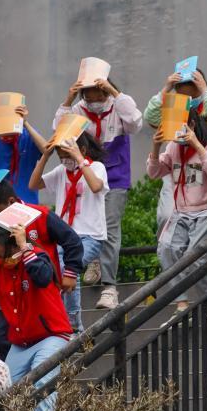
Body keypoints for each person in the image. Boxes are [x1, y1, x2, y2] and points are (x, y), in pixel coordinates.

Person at [0, 225, 73, 411]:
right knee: (7, 392)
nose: (2, 260)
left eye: (4, 255)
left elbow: (43, 278)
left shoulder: (37, 256)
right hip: (21, 341)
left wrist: (25, 247)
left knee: (42, 386)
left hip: (51, 334)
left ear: (14, 245)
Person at [0, 179, 83, 357]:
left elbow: (72, 240)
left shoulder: (41, 214)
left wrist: (70, 273)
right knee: (1, 342)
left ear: (11, 202)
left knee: (45, 336)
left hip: (40, 288)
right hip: (8, 289)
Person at [54, 75, 143, 309]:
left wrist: (114, 91)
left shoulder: (119, 106)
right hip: (86, 175)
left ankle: (109, 288)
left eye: (97, 94)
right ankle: (92, 259)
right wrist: (68, 99)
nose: (92, 100)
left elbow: (135, 122)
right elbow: (59, 131)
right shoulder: (78, 109)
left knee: (110, 228)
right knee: (83, 225)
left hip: (115, 176)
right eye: (87, 95)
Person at [147, 110, 207, 322]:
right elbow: (154, 172)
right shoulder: (173, 147)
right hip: (181, 211)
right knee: (166, 249)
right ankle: (181, 302)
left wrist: (196, 144)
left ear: (191, 124)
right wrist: (156, 146)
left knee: (196, 259)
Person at [30, 133, 109, 332]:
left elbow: (96, 186)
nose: (65, 160)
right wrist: (45, 156)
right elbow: (34, 184)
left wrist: (80, 160)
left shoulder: (96, 167)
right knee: (57, 273)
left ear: (81, 150)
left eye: (67, 155)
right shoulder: (61, 171)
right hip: (65, 238)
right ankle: (66, 323)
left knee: (68, 269)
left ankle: (74, 325)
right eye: (61, 157)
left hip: (91, 236)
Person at [144, 68, 207, 231]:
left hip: (205, 165)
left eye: (192, 95)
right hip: (178, 162)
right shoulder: (174, 106)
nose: (188, 100)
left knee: (202, 218)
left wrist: (205, 91)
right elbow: (151, 117)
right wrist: (166, 88)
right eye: (182, 95)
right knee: (167, 216)